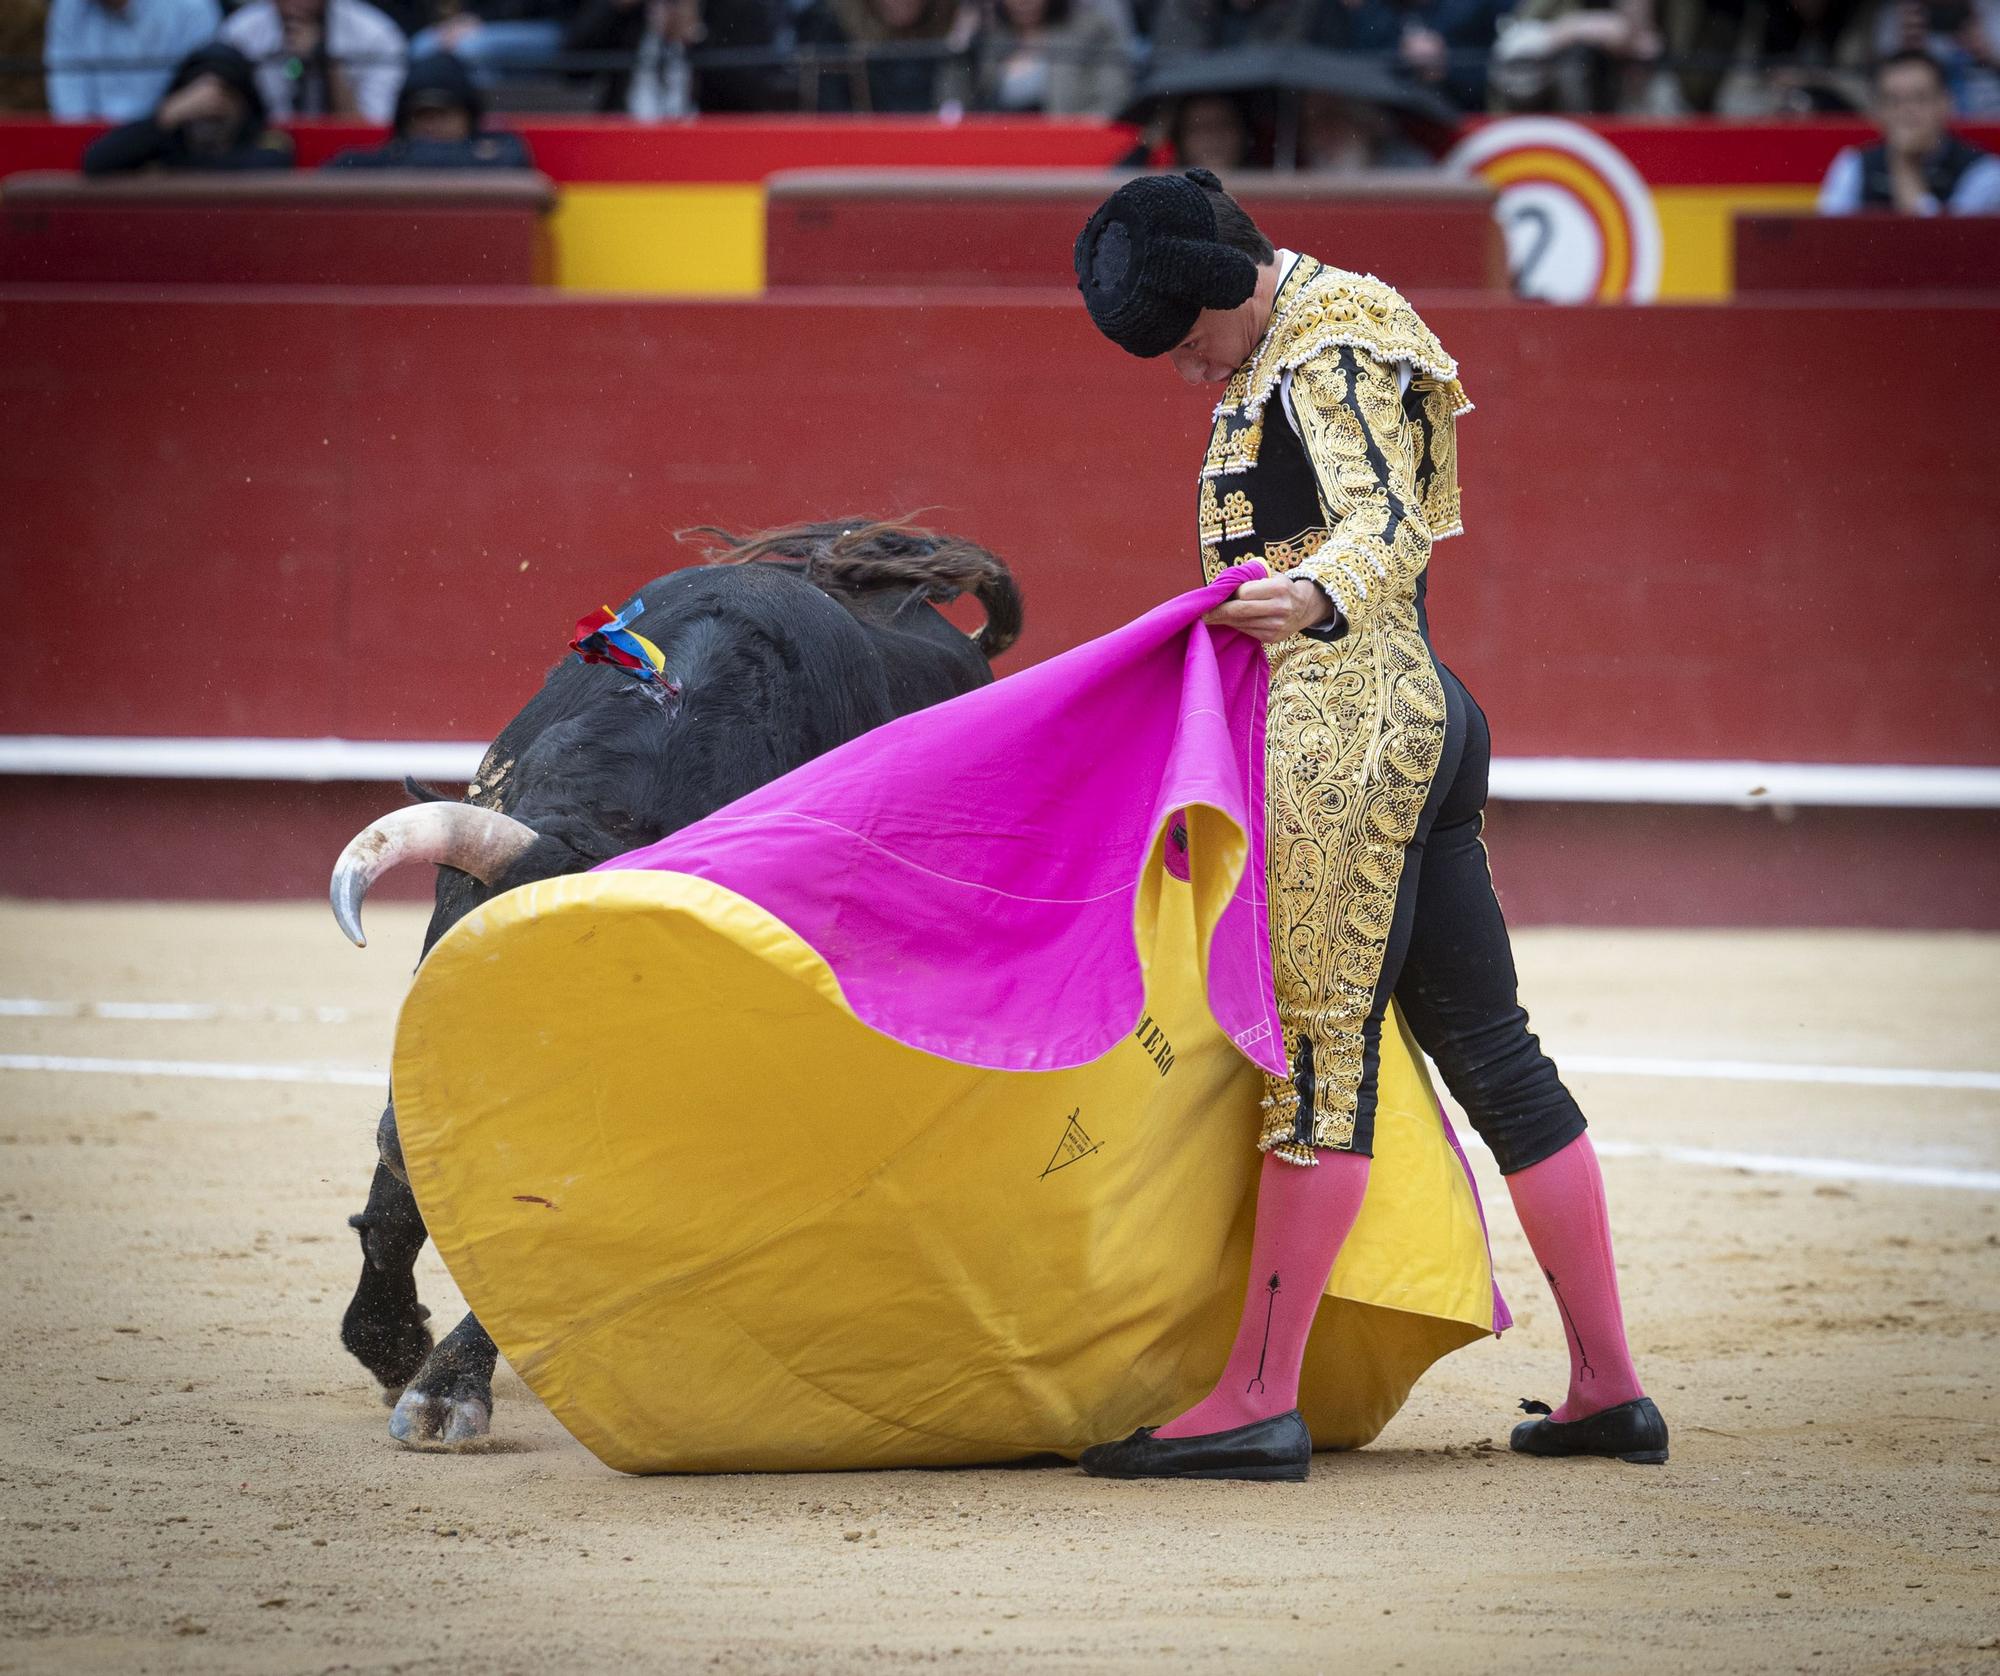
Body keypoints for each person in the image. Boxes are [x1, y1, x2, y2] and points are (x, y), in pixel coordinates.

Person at [1068, 170, 1668, 1481]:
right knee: (1494, 1048)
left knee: (1319, 1060)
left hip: (1346, 724)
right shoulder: (1317, 328)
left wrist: (1317, 594)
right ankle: (1607, 1388)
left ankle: (1255, 1399)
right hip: (1421, 712)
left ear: (1227, 293)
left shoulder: (1327, 341)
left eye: (1183, 343)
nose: (1183, 370)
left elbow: (1385, 518)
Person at [1819, 48, 2000, 212]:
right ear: (1877, 110)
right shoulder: (1854, 164)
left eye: (1920, 98)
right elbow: (1829, 236)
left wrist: (1904, 163)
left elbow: (1948, 244)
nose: (1907, 111)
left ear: (1946, 103)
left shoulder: (1984, 172)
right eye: (1894, 101)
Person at [81, 40, 295, 171]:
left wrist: (169, 170)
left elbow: (274, 163)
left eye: (225, 94)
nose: (210, 106)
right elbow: (95, 162)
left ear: (245, 102)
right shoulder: (166, 137)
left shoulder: (265, 142)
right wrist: (166, 116)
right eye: (197, 99)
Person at [321, 50, 534, 164]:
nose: (431, 125)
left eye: (442, 114)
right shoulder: (382, 159)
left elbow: (513, 157)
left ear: (468, 116)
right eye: (421, 115)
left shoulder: (504, 152)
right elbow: (339, 166)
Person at [218, 0, 406, 122]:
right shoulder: (238, 34)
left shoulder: (376, 35)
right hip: (264, 162)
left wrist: (324, 59)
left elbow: (372, 134)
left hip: (348, 165)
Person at [43, 0, 219, 119]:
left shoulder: (194, 8)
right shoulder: (68, 7)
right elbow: (71, 115)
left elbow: (196, 101)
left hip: (169, 150)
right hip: (92, 153)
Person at [971, 0, 1133, 115]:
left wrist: (1078, 129)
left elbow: (1113, 97)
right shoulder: (989, 36)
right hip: (1003, 148)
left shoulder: (1091, 29)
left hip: (1071, 148)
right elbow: (963, 107)